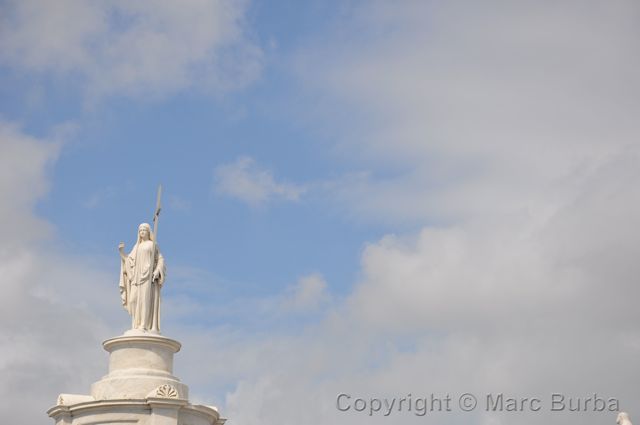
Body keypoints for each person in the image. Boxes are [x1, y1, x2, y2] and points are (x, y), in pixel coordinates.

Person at [118, 223, 165, 332]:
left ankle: (143, 325)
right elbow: (129, 261)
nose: (142, 232)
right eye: (140, 230)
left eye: (144, 230)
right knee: (133, 299)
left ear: (149, 232)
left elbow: (160, 259)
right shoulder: (137, 246)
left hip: (147, 277)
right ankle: (136, 324)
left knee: (144, 300)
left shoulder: (152, 244)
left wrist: (157, 270)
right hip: (136, 277)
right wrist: (121, 252)